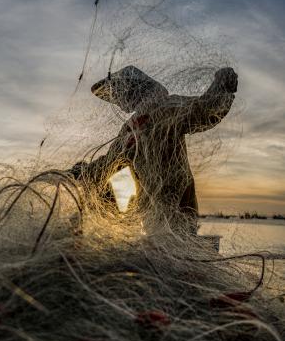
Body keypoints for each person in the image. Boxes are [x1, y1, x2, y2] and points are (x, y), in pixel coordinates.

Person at [70, 65, 238, 234]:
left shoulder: (168, 107)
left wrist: (222, 87)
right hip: (150, 204)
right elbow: (110, 162)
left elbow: (203, 110)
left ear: (134, 89)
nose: (118, 100)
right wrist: (83, 171)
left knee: (175, 240)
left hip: (177, 201)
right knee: (154, 240)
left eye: (120, 93)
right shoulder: (129, 128)